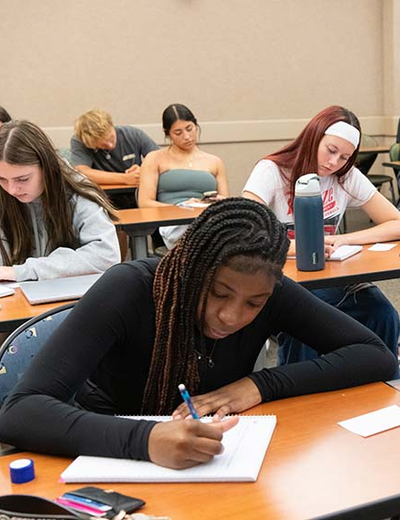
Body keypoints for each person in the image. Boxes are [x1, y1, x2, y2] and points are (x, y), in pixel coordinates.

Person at [0, 198, 396, 469]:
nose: (230, 315)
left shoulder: (268, 288)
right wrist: (145, 440)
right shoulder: (129, 289)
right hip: (113, 453)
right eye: (218, 293)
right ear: (191, 269)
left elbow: (374, 353)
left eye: (253, 305)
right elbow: (20, 412)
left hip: (216, 461)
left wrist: (259, 385)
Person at [243, 105, 400, 367]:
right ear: (314, 137)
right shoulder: (272, 170)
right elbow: (246, 231)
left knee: (383, 314)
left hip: (329, 276)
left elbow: (396, 222)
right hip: (283, 279)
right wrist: (300, 248)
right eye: (331, 150)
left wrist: (345, 239)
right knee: (305, 329)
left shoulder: (345, 176)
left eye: (345, 157)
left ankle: (381, 387)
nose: (334, 162)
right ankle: (299, 399)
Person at [0, 120, 120, 282]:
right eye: (2, 179)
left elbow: (107, 254)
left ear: (46, 167)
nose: (12, 189)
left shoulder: (78, 191)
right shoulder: (3, 194)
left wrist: (23, 272)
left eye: (22, 179)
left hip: (74, 298)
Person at [138, 103, 229, 248]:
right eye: (178, 133)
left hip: (207, 218)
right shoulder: (155, 158)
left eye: (189, 129)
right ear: (168, 134)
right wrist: (179, 208)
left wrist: (215, 202)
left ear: (196, 125)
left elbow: (225, 202)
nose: (187, 137)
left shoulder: (214, 161)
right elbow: (145, 203)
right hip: (173, 221)